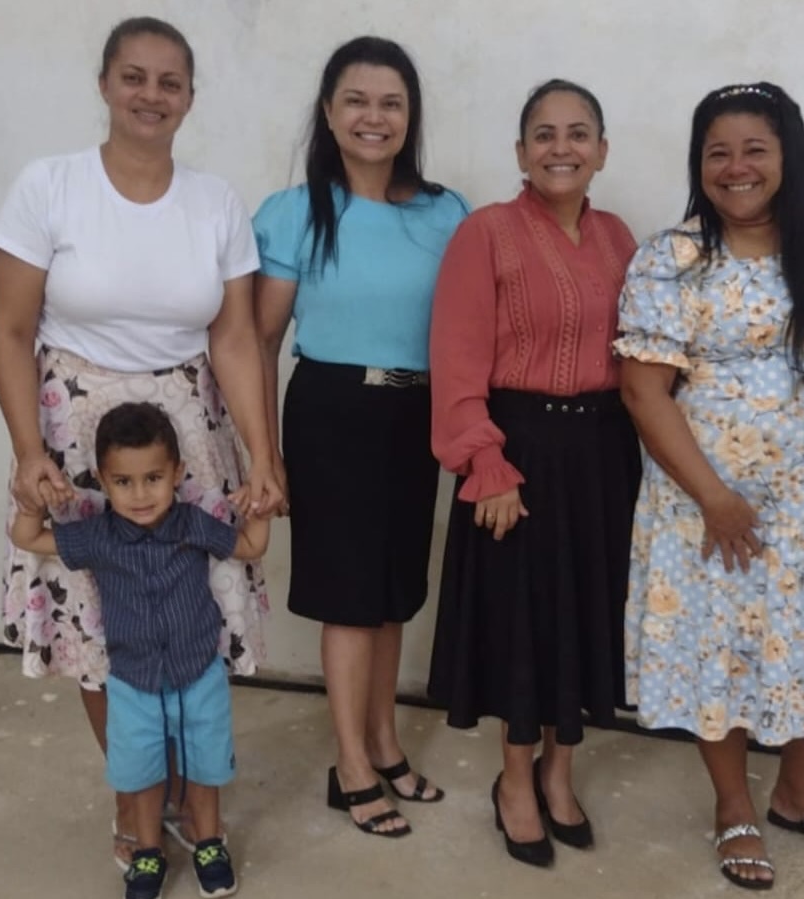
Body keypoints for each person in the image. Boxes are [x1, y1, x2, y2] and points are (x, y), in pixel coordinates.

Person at [0, 16, 282, 868]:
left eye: (170, 82)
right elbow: (9, 328)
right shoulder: (50, 186)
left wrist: (263, 454)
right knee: (99, 618)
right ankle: (135, 797)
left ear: (189, 96)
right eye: (134, 77)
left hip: (187, 434)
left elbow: (234, 339)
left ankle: (189, 792)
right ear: (105, 83)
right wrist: (28, 450)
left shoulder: (215, 201)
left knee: (190, 608)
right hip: (76, 435)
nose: (152, 95)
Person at [616, 82, 804, 890]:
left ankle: (798, 796)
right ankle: (734, 804)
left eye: (754, 150)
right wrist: (714, 496)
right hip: (702, 507)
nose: (735, 168)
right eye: (718, 153)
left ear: (787, 156)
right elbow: (643, 389)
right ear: (698, 163)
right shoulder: (672, 258)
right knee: (720, 651)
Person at [253, 36, 468, 837]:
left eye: (390, 103)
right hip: (332, 411)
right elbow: (260, 341)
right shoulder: (292, 212)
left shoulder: (444, 211)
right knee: (348, 597)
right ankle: (350, 765)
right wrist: (264, 454)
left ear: (410, 116)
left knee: (393, 590)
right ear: (328, 111)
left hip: (417, 414)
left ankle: (385, 741)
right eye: (356, 100)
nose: (373, 117)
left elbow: (467, 326)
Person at [428, 79, 642, 867]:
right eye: (544, 135)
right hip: (516, 449)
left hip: (603, 451)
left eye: (578, 133)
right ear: (521, 152)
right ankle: (515, 778)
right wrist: (486, 462)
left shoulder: (619, 238)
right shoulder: (486, 232)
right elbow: (455, 355)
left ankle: (560, 770)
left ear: (602, 151)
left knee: (582, 612)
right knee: (523, 619)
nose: (561, 148)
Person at [11, 402, 265, 899]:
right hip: (133, 682)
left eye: (153, 478)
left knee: (205, 766)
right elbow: (26, 537)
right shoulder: (97, 536)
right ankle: (148, 852)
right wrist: (32, 502)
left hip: (199, 674)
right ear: (102, 482)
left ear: (178, 474)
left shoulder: (192, 524)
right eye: (123, 482)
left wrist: (261, 509)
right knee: (141, 773)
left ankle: (209, 843)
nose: (141, 494)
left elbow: (250, 547)